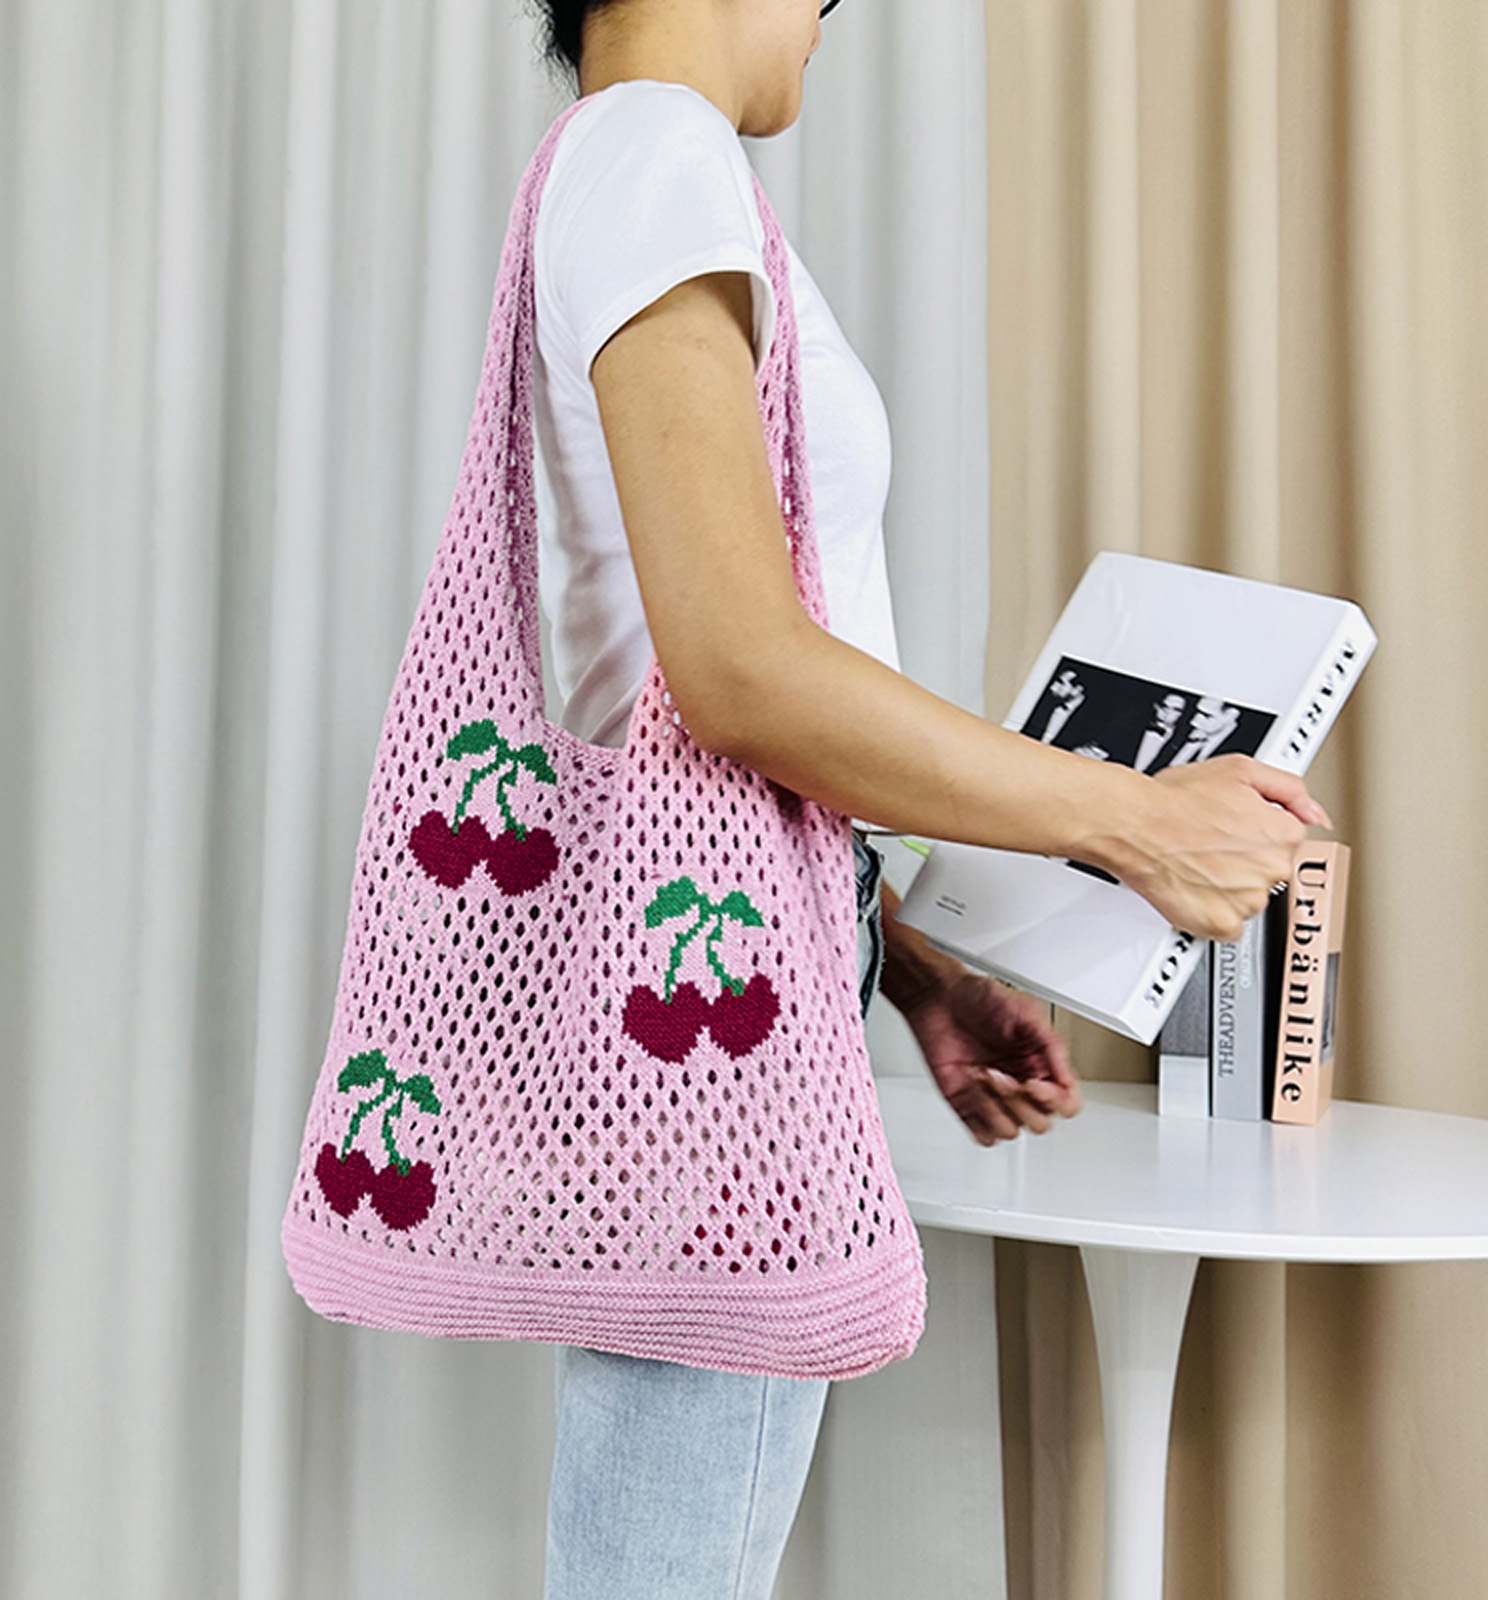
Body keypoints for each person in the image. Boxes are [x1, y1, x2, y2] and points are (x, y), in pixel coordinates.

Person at [525, 3, 1327, 1595]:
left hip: (730, 991)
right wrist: (1134, 816)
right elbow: (739, 669)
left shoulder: (630, 164)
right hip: (717, 1048)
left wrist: (905, 965)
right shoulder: (654, 153)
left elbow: (682, 691)